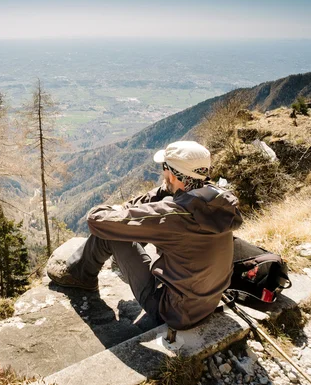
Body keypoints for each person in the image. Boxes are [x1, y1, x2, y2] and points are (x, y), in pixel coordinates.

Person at [47, 141, 243, 330]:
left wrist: (119, 209)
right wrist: (141, 202)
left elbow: (96, 220)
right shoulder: (217, 200)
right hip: (207, 300)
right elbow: (167, 198)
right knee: (136, 219)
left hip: (173, 311)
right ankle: (108, 265)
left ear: (173, 174)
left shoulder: (174, 215)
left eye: (165, 167)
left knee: (111, 233)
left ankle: (79, 276)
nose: (162, 171)